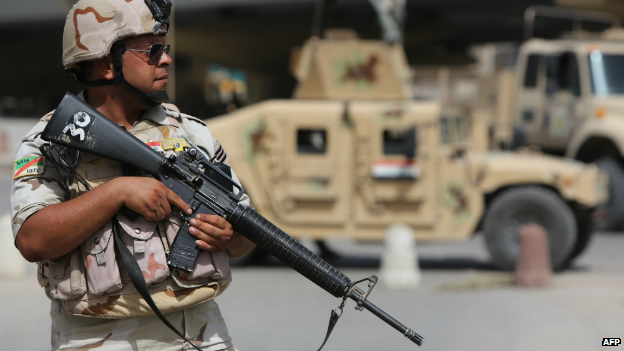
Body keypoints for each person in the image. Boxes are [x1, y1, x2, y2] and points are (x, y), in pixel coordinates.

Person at [10, 0, 255, 350]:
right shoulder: (50, 140)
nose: (166, 59)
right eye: (152, 51)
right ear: (105, 62)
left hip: (199, 333)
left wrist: (229, 235)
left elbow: (246, 240)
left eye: (165, 49)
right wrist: (116, 192)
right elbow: (32, 240)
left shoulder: (191, 133)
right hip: (97, 338)